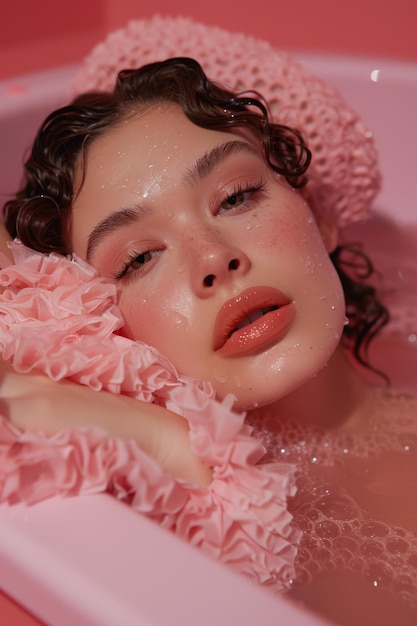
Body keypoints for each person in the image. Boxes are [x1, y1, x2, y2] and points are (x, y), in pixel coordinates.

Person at [1, 57, 417, 625]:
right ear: (103, 327)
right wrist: (170, 442)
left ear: (318, 213)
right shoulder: (167, 523)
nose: (213, 259)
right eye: (139, 258)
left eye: (237, 196)